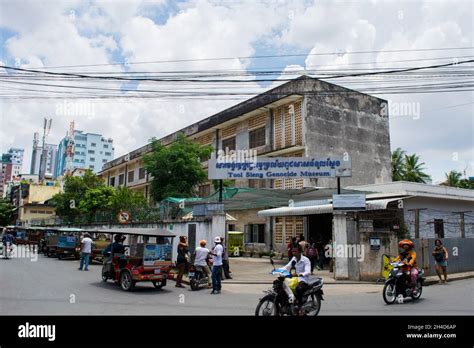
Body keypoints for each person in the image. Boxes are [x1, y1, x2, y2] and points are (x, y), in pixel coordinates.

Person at [280, 244, 311, 316]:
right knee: (282, 287)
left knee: (298, 289)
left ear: (300, 252)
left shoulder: (306, 260)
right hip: (294, 279)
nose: (293, 253)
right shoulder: (294, 259)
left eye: (295, 251)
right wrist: (278, 270)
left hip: (303, 279)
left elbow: (308, 271)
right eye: (293, 251)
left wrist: (300, 274)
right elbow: (287, 267)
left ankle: (300, 308)